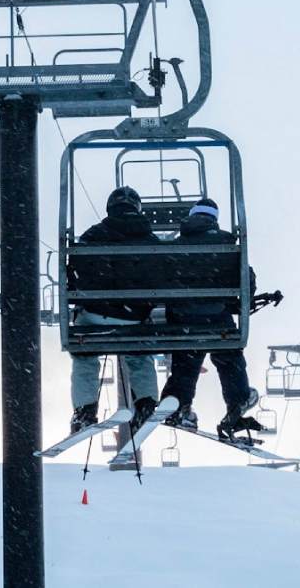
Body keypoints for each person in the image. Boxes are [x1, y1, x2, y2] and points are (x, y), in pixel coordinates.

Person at [159, 198, 261, 439]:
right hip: (217, 320)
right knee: (228, 356)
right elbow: (248, 282)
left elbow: (162, 281)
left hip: (184, 321)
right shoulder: (228, 244)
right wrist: (231, 303)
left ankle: (177, 404)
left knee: (186, 361)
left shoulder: (176, 246)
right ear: (214, 219)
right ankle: (237, 403)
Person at [67, 186, 160, 434]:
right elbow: (163, 278)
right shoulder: (151, 240)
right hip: (134, 317)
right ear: (137, 209)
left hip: (95, 317)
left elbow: (74, 274)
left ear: (110, 208)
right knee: (139, 355)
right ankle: (147, 404)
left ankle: (84, 411)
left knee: (85, 357)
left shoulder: (93, 235)